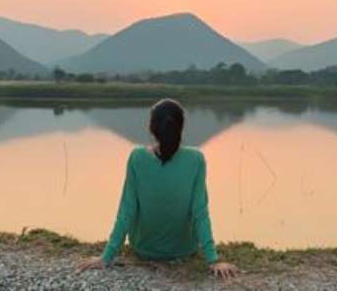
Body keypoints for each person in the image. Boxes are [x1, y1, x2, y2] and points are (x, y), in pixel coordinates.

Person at [78, 99, 239, 280]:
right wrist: (213, 260)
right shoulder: (196, 159)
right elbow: (200, 211)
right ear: (181, 128)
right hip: (184, 249)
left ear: (151, 128)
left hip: (143, 248)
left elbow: (127, 209)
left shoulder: (137, 157)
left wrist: (106, 257)